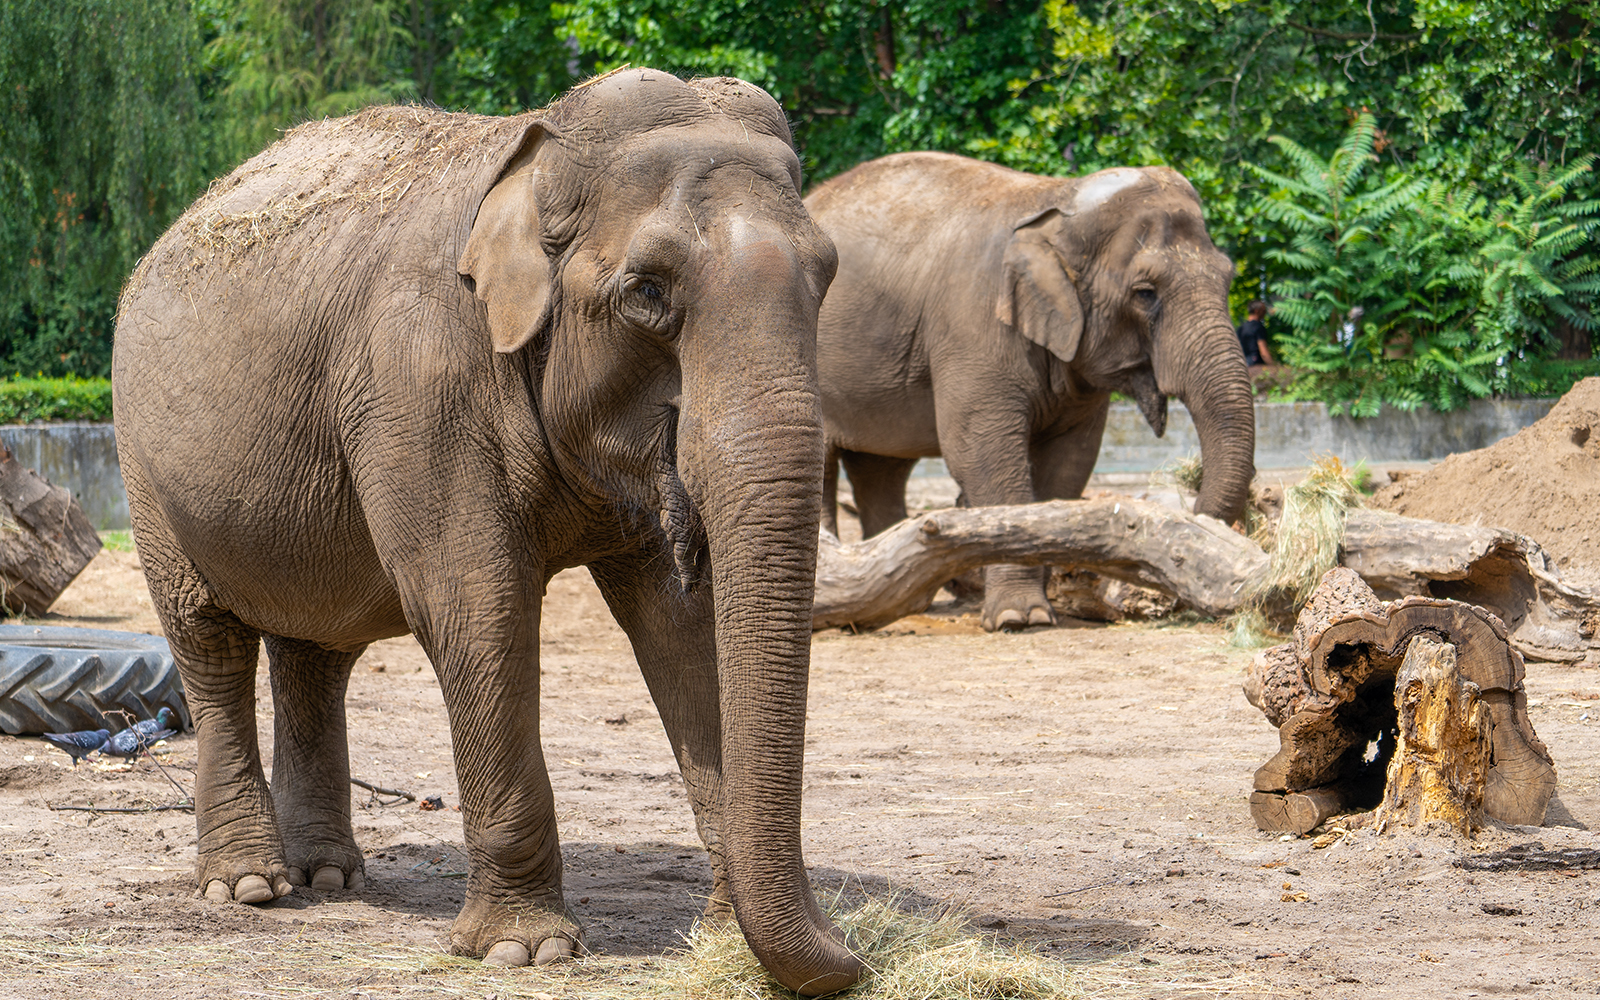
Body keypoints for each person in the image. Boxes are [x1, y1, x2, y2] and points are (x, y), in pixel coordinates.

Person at [1236, 300, 1274, 367]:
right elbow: (1263, 353)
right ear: (1257, 311)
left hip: (1244, 364)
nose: (1265, 312)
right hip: (1256, 365)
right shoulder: (1258, 327)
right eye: (1263, 310)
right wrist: (1274, 366)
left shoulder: (1240, 328)